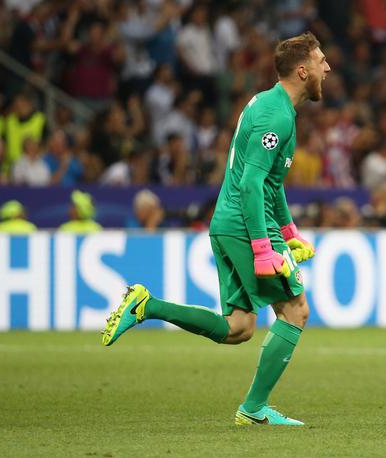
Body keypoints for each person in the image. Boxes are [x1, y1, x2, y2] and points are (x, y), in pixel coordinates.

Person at [102, 32, 330, 426]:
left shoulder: (271, 105)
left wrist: (289, 232)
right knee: (296, 311)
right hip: (245, 224)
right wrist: (263, 247)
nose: (328, 67)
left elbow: (269, 183)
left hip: (230, 222)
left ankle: (146, 305)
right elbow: (251, 185)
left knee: (239, 327)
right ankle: (254, 409)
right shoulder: (275, 115)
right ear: (302, 70)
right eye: (321, 60)